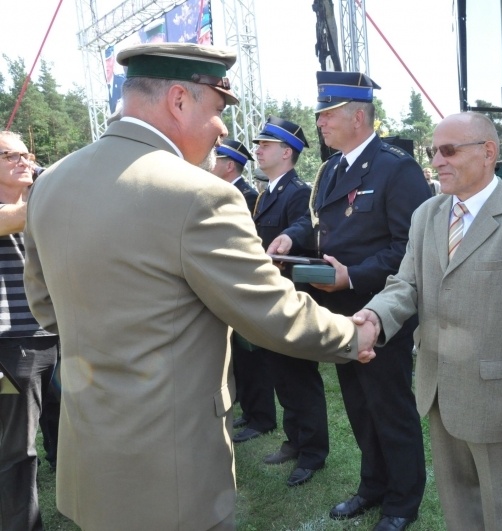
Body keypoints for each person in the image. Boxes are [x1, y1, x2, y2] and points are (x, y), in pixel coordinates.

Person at [22, 43, 377, 531]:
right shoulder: (199, 194)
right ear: (178, 101)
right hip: (171, 472)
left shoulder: (51, 182)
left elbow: (47, 307)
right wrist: (352, 336)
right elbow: (269, 310)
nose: (223, 130)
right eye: (216, 110)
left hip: (91, 456)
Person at [354, 111, 502, 530]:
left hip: (499, 406)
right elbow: (406, 284)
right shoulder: (426, 215)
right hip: (438, 392)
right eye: (434, 151)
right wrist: (374, 317)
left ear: (488, 152)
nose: (436, 161)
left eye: (448, 150)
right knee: (459, 512)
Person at [268, 71, 431, 531]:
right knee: (359, 404)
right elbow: (319, 224)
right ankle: (373, 486)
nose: (319, 123)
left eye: (327, 114)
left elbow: (409, 248)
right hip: (338, 309)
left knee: (389, 406)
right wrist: (289, 235)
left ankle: (402, 502)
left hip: (382, 309)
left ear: (357, 116)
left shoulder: (395, 168)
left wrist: (352, 276)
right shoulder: (331, 169)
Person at [250, 116, 329, 487]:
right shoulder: (269, 190)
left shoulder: (299, 191)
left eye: (265, 145)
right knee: (281, 374)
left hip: (292, 298)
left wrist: (286, 238)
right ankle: (295, 440)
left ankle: (313, 452)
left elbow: (308, 231)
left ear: (287, 152)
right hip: (270, 298)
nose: (258, 149)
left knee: (300, 377)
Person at [0, 133, 59, 531]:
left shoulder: (38, 202)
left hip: (56, 336)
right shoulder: (25, 207)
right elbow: (15, 217)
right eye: (10, 155)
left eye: (27, 154)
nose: (23, 161)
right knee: (17, 449)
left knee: (71, 437)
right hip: (12, 348)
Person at [210, 138, 277, 443]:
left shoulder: (248, 195)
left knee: (255, 356)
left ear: (228, 164)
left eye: (217, 158)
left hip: (244, 282)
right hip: (229, 282)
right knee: (241, 355)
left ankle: (261, 416)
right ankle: (251, 411)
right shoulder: (232, 192)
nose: (211, 163)